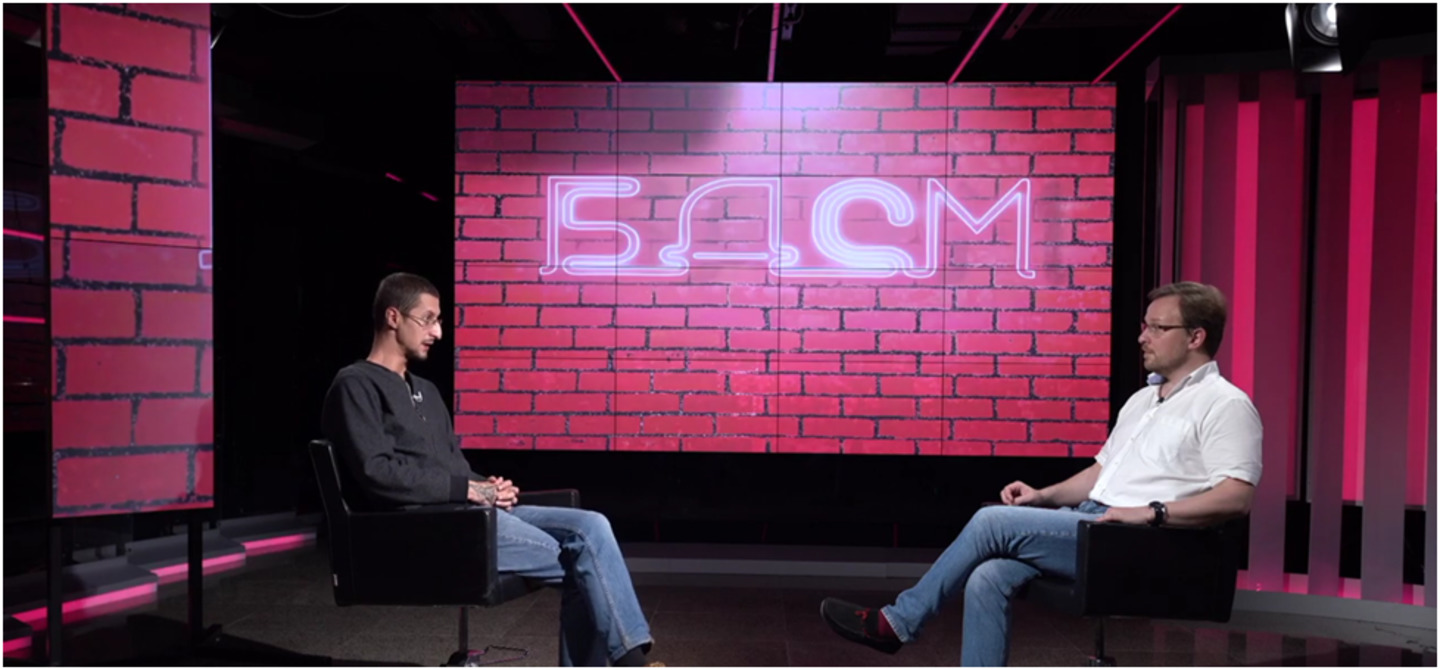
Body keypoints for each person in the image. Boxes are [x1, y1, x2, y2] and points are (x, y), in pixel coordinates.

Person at [819, 281, 1263, 666]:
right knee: (989, 576)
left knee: (991, 522)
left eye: (1157, 328)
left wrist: (1150, 513)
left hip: (1146, 540)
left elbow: (1236, 497)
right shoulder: (1143, 400)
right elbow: (1101, 474)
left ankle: (897, 623)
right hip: (1096, 523)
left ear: (1195, 336)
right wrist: (1043, 496)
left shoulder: (1224, 404)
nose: (1142, 336)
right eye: (1144, 325)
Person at [321, 272, 657, 667]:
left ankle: (630, 658)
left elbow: (452, 467)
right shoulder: (355, 384)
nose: (438, 332)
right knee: (585, 564)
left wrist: (486, 486)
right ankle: (633, 663)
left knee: (592, 526)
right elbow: (377, 473)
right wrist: (468, 490)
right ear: (393, 317)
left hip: (466, 513)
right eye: (428, 320)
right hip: (425, 527)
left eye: (439, 320)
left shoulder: (426, 390)